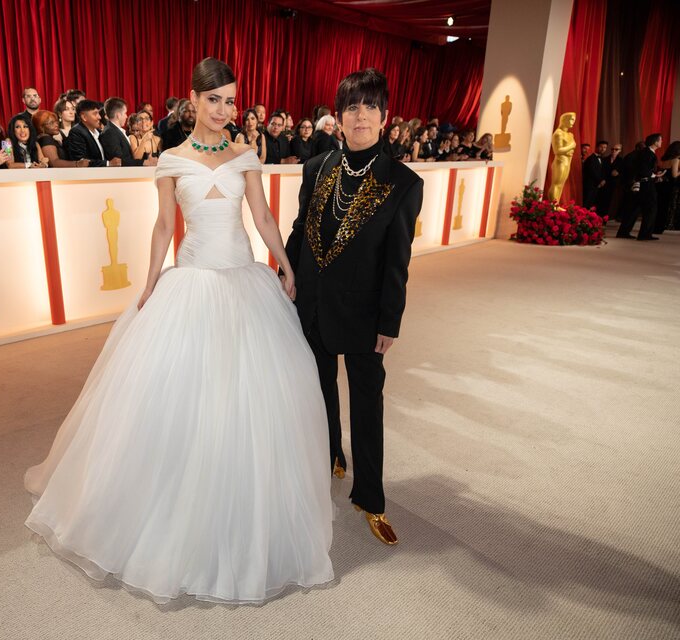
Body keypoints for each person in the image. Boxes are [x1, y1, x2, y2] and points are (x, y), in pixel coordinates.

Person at [24, 57, 334, 604]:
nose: (224, 110)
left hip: (243, 280)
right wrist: (149, 285)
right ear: (192, 100)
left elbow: (261, 218)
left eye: (232, 101)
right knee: (178, 400)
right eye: (214, 100)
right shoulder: (169, 159)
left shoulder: (245, 154)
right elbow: (165, 225)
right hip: (190, 280)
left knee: (254, 399)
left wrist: (283, 263)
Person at [284, 68, 423, 547]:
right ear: (337, 117)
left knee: (368, 405)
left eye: (369, 107)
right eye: (351, 107)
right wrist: (284, 272)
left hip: (365, 316)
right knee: (319, 390)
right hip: (315, 308)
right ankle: (329, 458)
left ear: (384, 118)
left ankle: (371, 497)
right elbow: (302, 231)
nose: (360, 115)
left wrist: (390, 321)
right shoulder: (316, 167)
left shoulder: (403, 182)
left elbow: (396, 261)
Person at [617, 133, 663, 240]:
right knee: (651, 209)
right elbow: (643, 170)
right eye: (660, 140)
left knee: (633, 209)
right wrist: (654, 175)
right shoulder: (649, 154)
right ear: (655, 142)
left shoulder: (644, 153)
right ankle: (645, 234)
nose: (662, 142)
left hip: (640, 184)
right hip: (646, 184)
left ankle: (624, 232)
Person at [100, 97, 156, 166]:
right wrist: (144, 162)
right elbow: (119, 161)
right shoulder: (110, 133)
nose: (126, 116)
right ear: (118, 115)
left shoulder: (114, 130)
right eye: (125, 113)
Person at [65, 99, 121, 167]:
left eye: (98, 113)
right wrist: (108, 163)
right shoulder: (76, 132)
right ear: (84, 117)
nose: (99, 117)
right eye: (95, 113)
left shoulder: (99, 132)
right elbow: (81, 161)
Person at [654, 141, 679, 232]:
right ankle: (660, 227)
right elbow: (675, 175)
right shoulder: (675, 160)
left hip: (661, 185)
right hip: (670, 186)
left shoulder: (664, 160)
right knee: (666, 207)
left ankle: (656, 226)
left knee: (660, 206)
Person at [597, 143, 623, 218]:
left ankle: (608, 217)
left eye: (616, 149)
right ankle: (600, 217)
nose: (614, 151)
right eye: (612, 149)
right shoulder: (605, 159)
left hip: (614, 184)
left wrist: (618, 173)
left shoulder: (621, 161)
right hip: (604, 183)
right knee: (602, 201)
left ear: (620, 151)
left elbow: (624, 172)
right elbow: (601, 171)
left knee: (612, 202)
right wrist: (602, 179)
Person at [582, 140, 607, 209]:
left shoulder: (603, 159)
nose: (603, 149)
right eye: (601, 147)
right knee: (587, 203)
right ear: (596, 147)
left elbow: (603, 171)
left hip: (597, 185)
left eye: (605, 147)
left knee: (592, 203)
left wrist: (603, 180)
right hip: (590, 185)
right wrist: (600, 181)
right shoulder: (591, 159)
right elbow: (592, 172)